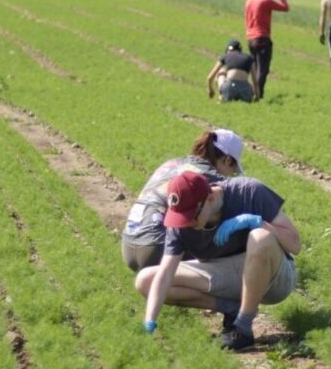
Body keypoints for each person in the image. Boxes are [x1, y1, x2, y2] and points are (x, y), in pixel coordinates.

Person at [135, 171, 301, 351]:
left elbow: (294, 244)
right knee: (146, 281)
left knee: (260, 238)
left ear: (210, 198)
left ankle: (242, 328)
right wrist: (149, 321)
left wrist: (257, 222)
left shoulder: (250, 192)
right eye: (181, 216)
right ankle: (232, 309)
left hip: (275, 278)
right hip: (232, 275)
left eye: (192, 216)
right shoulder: (181, 221)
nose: (186, 223)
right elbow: (166, 273)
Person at [121, 129, 245, 272]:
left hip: (129, 244)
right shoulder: (208, 177)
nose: (231, 175)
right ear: (228, 160)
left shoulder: (173, 163)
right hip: (157, 248)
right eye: (233, 170)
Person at [244, 0, 289, 101]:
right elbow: (285, 8)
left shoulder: (249, 0)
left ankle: (251, 93)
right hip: (262, 38)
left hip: (250, 38)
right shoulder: (266, 0)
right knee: (262, 70)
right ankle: (257, 96)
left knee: (255, 68)